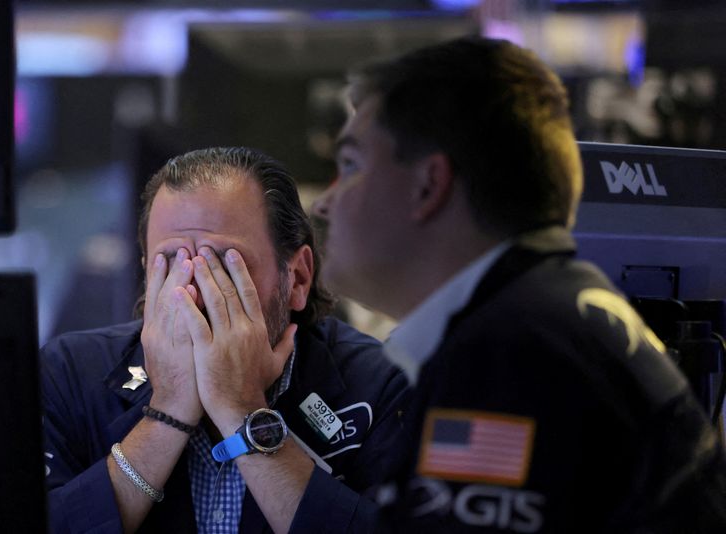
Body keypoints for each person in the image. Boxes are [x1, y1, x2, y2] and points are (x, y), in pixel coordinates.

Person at [312, 37, 726, 532]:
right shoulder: (541, 318)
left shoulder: (505, 353)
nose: (324, 203)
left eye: (353, 166)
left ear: (427, 186)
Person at [41, 147, 410, 533]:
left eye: (224, 264)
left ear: (297, 278)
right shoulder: (67, 372)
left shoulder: (382, 383)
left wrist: (243, 411)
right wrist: (167, 413)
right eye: (170, 265)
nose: (196, 293)